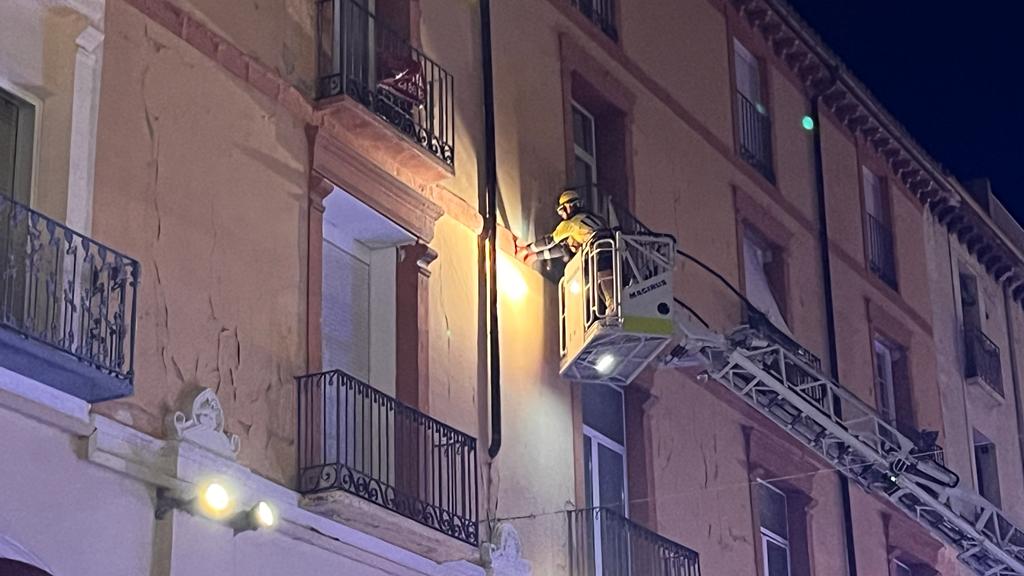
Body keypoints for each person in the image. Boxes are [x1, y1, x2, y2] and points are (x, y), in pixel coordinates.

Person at [516, 189, 616, 313]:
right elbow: (563, 249)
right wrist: (536, 256)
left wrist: (527, 249)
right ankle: (611, 306)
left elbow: (550, 241)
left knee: (603, 279)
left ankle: (612, 306)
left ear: (567, 207)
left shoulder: (571, 223)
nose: (562, 215)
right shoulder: (588, 220)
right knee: (602, 281)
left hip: (599, 250)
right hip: (610, 248)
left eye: (561, 211)